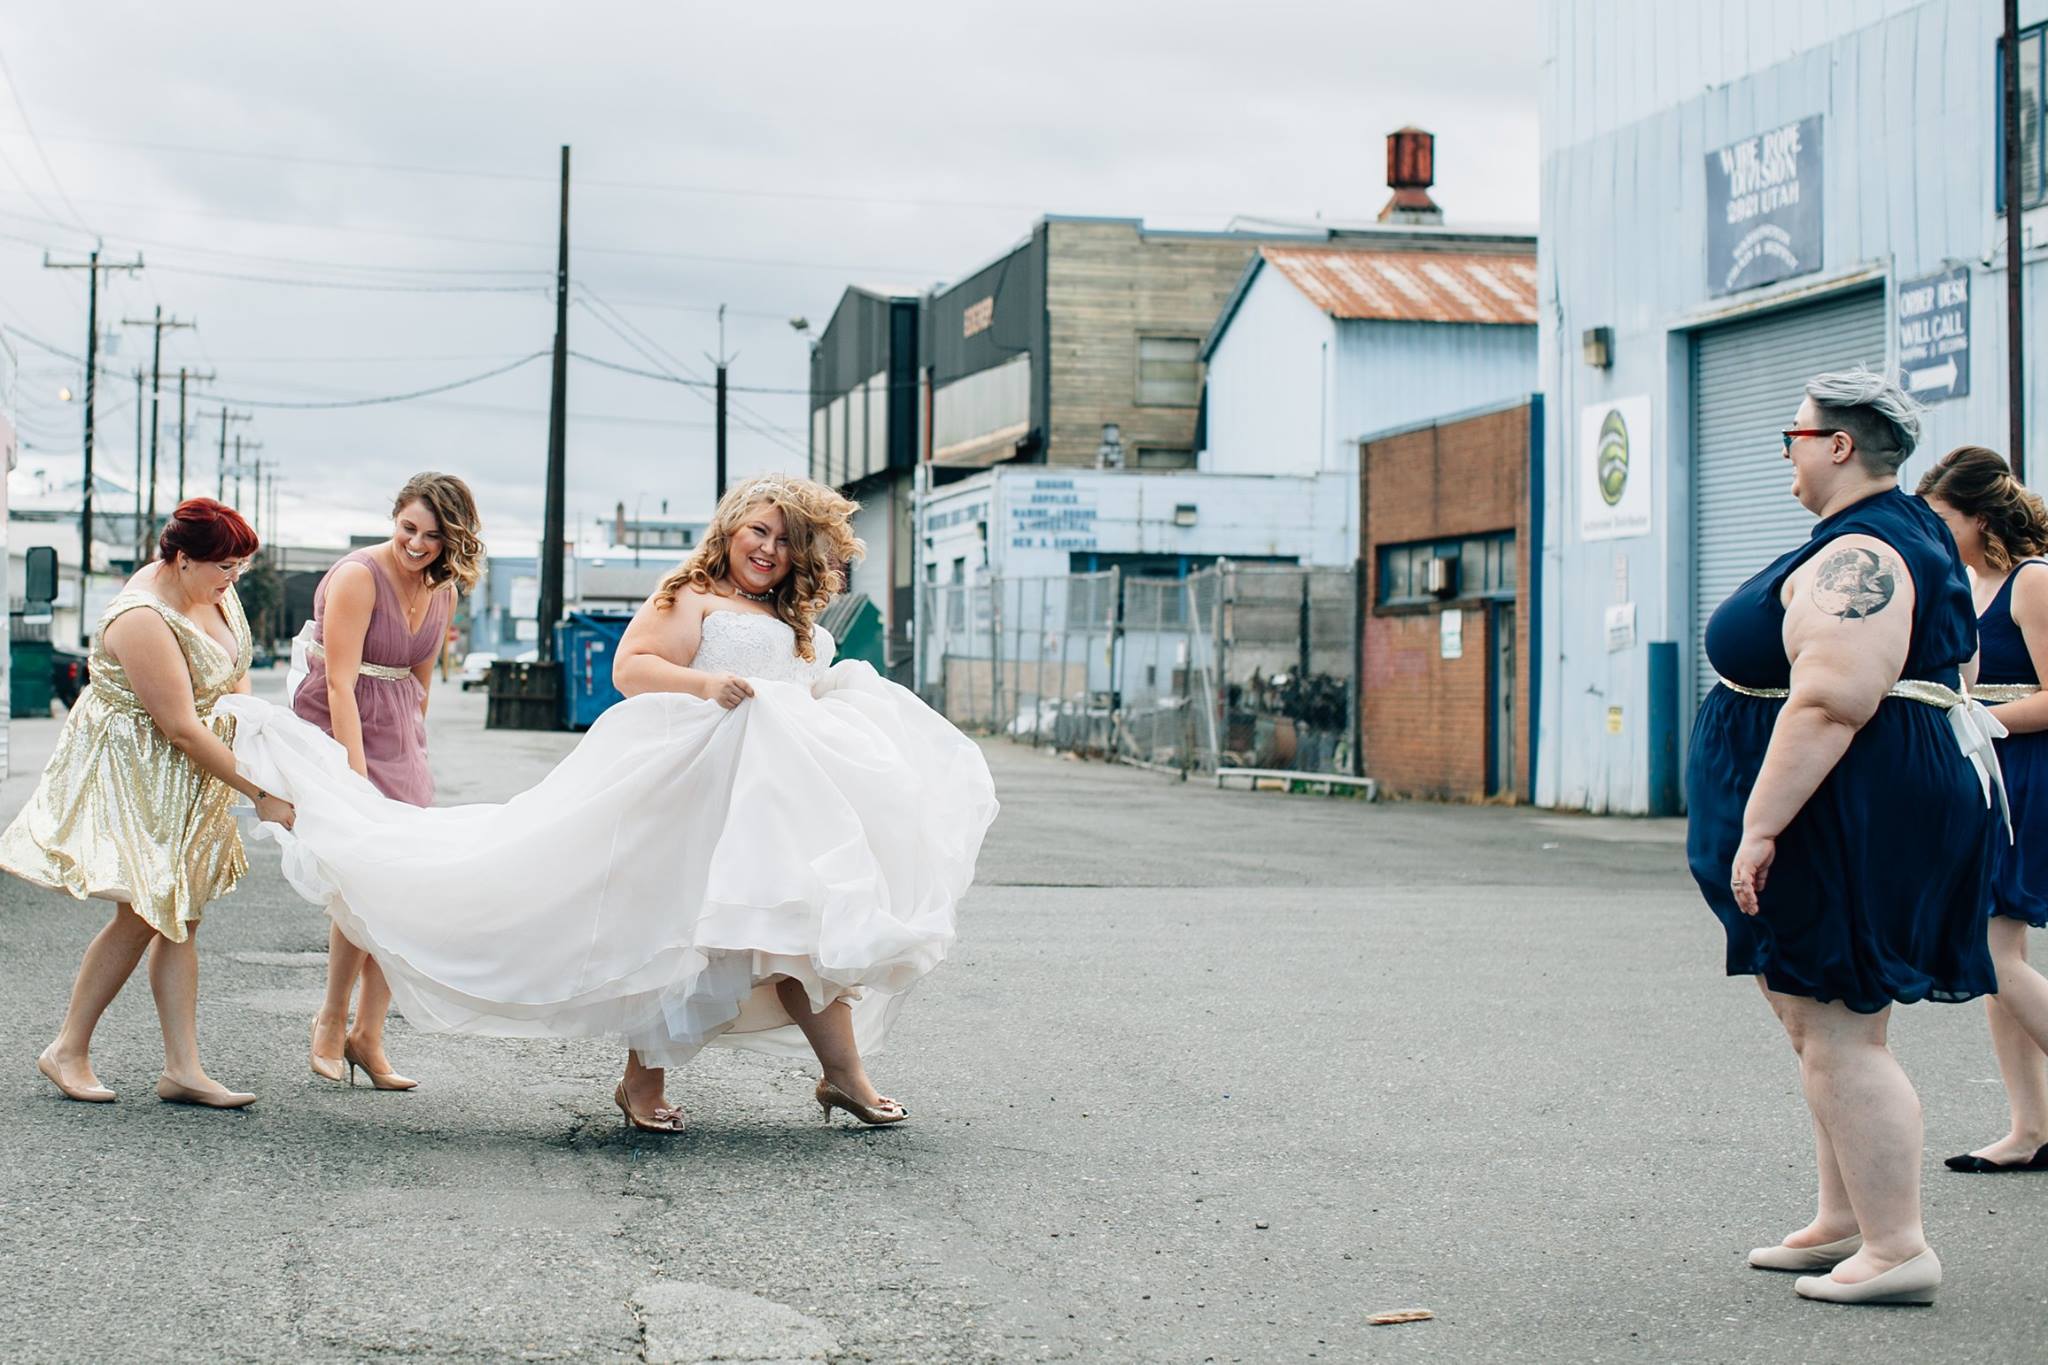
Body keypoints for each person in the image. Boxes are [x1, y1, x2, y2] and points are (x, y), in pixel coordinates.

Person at [221, 475, 997, 1132]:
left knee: (793, 927)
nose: (768, 548)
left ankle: (839, 1076)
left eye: (786, 539)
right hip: (703, 792)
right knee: (686, 931)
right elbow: (630, 667)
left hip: (778, 800)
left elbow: (790, 688)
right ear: (731, 530)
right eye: (758, 530)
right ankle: (647, 1081)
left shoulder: (787, 616)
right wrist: (708, 685)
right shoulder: (691, 595)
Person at [1685, 371, 2001, 1307]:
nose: (1785, 450)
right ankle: (1845, 1219)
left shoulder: (1861, 550)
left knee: (1839, 1028)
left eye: (1794, 433)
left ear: (1837, 446)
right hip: (1867, 800)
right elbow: (1957, 668)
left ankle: (1898, 1246)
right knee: (1822, 1017)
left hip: (1843, 811)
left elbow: (1831, 697)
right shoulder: (1907, 538)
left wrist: (1760, 824)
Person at [0, 499, 296, 1109]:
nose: (233, 578)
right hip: (144, 770)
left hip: (200, 765)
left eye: (240, 565)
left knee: (181, 914)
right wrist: (262, 795)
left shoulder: (213, 584)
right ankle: (67, 1049)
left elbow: (233, 672)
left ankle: (182, 1068)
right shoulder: (142, 617)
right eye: (225, 566)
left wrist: (258, 735)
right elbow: (181, 728)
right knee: (144, 910)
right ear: (183, 559)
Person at [293, 473, 481, 1090]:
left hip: (399, 736)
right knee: (358, 884)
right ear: (394, 518)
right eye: (408, 529)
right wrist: (354, 775)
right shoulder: (357, 576)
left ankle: (369, 1036)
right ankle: (328, 1022)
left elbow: (420, 683)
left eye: (432, 535)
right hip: (342, 725)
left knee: (399, 888)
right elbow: (342, 683)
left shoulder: (442, 587)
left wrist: (412, 753)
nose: (417, 545)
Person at [1918, 446, 2048, 1173]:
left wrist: (1983, 716)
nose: (1933, 531)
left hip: (2031, 773)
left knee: (1997, 955)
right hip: (1994, 773)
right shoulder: (1973, 582)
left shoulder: (2034, 583)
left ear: (1979, 516)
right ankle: (2031, 1128)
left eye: (1941, 517)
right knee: (2003, 953)